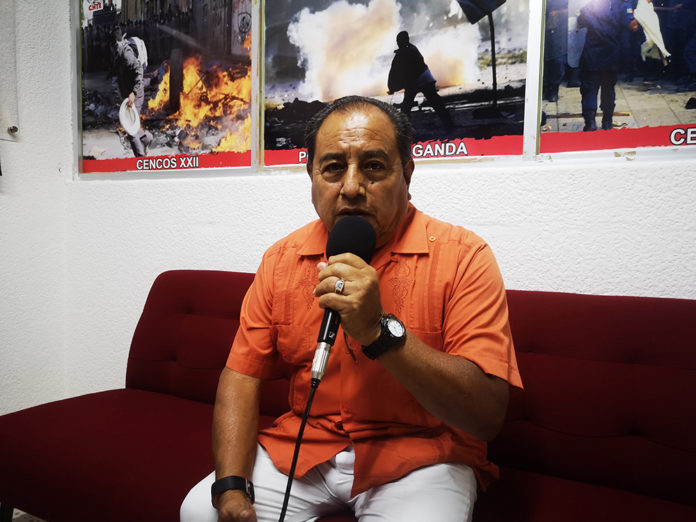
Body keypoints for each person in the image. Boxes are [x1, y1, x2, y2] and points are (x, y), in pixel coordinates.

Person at [180, 95, 522, 522]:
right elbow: (242, 376)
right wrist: (231, 486)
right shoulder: (281, 259)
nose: (352, 187)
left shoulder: (464, 256)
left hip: (423, 454)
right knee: (200, 512)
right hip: (308, 446)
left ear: (407, 173)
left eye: (374, 166)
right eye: (333, 168)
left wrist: (379, 332)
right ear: (311, 175)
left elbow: (487, 415)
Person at [577, 0, 639, 131]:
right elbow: (632, 25)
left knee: (589, 88)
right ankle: (607, 122)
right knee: (608, 89)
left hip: (592, 53)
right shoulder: (623, 4)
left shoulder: (592, 3)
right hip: (611, 54)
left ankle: (590, 123)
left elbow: (581, 20)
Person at [387, 31, 453, 130]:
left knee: (407, 107)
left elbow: (396, 71)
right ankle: (448, 124)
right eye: (397, 41)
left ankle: (404, 130)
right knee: (434, 102)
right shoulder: (410, 49)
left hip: (418, 80)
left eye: (399, 41)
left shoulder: (404, 52)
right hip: (423, 79)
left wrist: (392, 87)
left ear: (404, 40)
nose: (398, 43)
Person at [110, 25, 153, 156]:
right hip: (127, 93)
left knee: (130, 130)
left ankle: (140, 160)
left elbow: (139, 71)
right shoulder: (117, 53)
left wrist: (133, 93)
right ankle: (147, 138)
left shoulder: (126, 54)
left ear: (117, 43)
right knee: (131, 127)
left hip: (135, 93)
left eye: (113, 44)